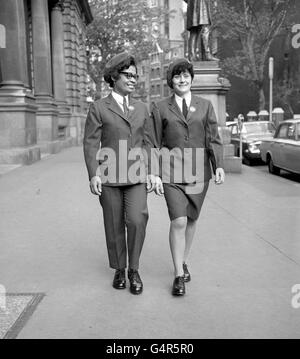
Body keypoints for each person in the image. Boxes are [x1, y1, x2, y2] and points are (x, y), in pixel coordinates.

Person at [146, 58, 225, 296]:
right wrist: (154, 173)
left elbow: (213, 138)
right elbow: (152, 142)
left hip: (199, 172)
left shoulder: (205, 106)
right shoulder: (160, 107)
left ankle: (184, 261)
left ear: (191, 78)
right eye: (177, 76)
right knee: (178, 220)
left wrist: (218, 164)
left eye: (186, 75)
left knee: (191, 219)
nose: (182, 79)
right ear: (171, 81)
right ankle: (178, 275)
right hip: (171, 171)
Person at [83, 52, 153, 295]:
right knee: (113, 224)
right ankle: (119, 269)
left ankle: (134, 269)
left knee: (136, 220)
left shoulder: (142, 107)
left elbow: (148, 142)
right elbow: (91, 143)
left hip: (136, 175)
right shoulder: (99, 108)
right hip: (109, 176)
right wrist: (93, 174)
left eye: (135, 76)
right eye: (127, 75)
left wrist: (151, 172)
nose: (133, 80)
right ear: (114, 77)